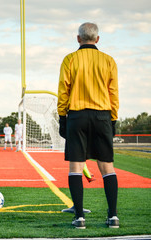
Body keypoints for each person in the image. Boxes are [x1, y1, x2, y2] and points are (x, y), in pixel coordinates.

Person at [57, 22, 119, 229]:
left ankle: (80, 218)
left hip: (77, 116)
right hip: (103, 117)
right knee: (107, 167)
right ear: (98, 39)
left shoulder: (70, 59)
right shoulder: (109, 60)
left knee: (75, 167)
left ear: (78, 39)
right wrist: (114, 119)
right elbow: (113, 93)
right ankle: (113, 217)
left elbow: (63, 91)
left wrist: (62, 118)